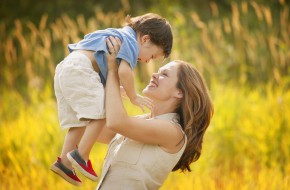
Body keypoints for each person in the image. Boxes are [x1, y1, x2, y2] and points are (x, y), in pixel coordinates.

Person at [50, 13, 173, 186]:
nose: (146, 61)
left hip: (67, 68)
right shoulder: (130, 42)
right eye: (152, 56)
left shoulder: (117, 33)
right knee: (103, 110)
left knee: (79, 122)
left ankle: (64, 163)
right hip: (80, 69)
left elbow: (98, 60)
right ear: (145, 39)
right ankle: (81, 155)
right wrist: (133, 96)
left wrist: (115, 87)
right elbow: (123, 72)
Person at [95, 36, 213, 190]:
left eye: (164, 75)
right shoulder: (140, 122)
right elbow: (95, 130)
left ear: (179, 92)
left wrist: (112, 71)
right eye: (157, 72)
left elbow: (116, 122)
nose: (154, 75)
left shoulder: (173, 132)